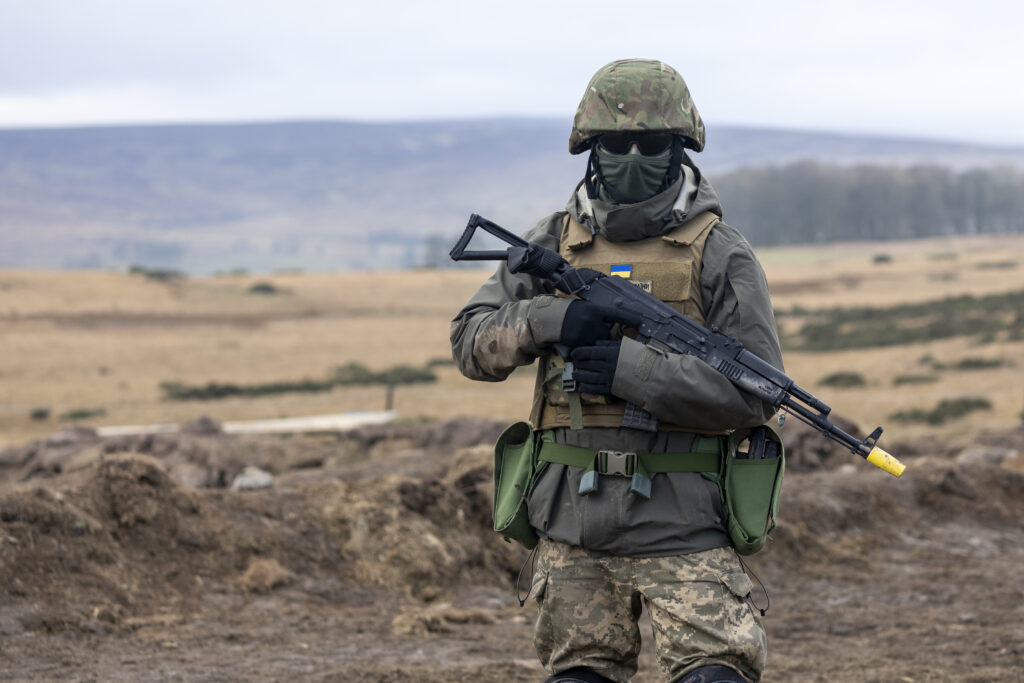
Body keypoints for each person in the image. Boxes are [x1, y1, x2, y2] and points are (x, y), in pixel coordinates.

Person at [450, 59, 784, 683]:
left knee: (715, 677)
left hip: (687, 527)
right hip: (572, 529)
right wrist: (547, 322)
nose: (634, 156)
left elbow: (756, 394)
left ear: (680, 149)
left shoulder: (720, 252)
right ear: (590, 150)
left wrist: (633, 370)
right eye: (616, 143)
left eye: (654, 144)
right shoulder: (549, 242)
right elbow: (470, 343)